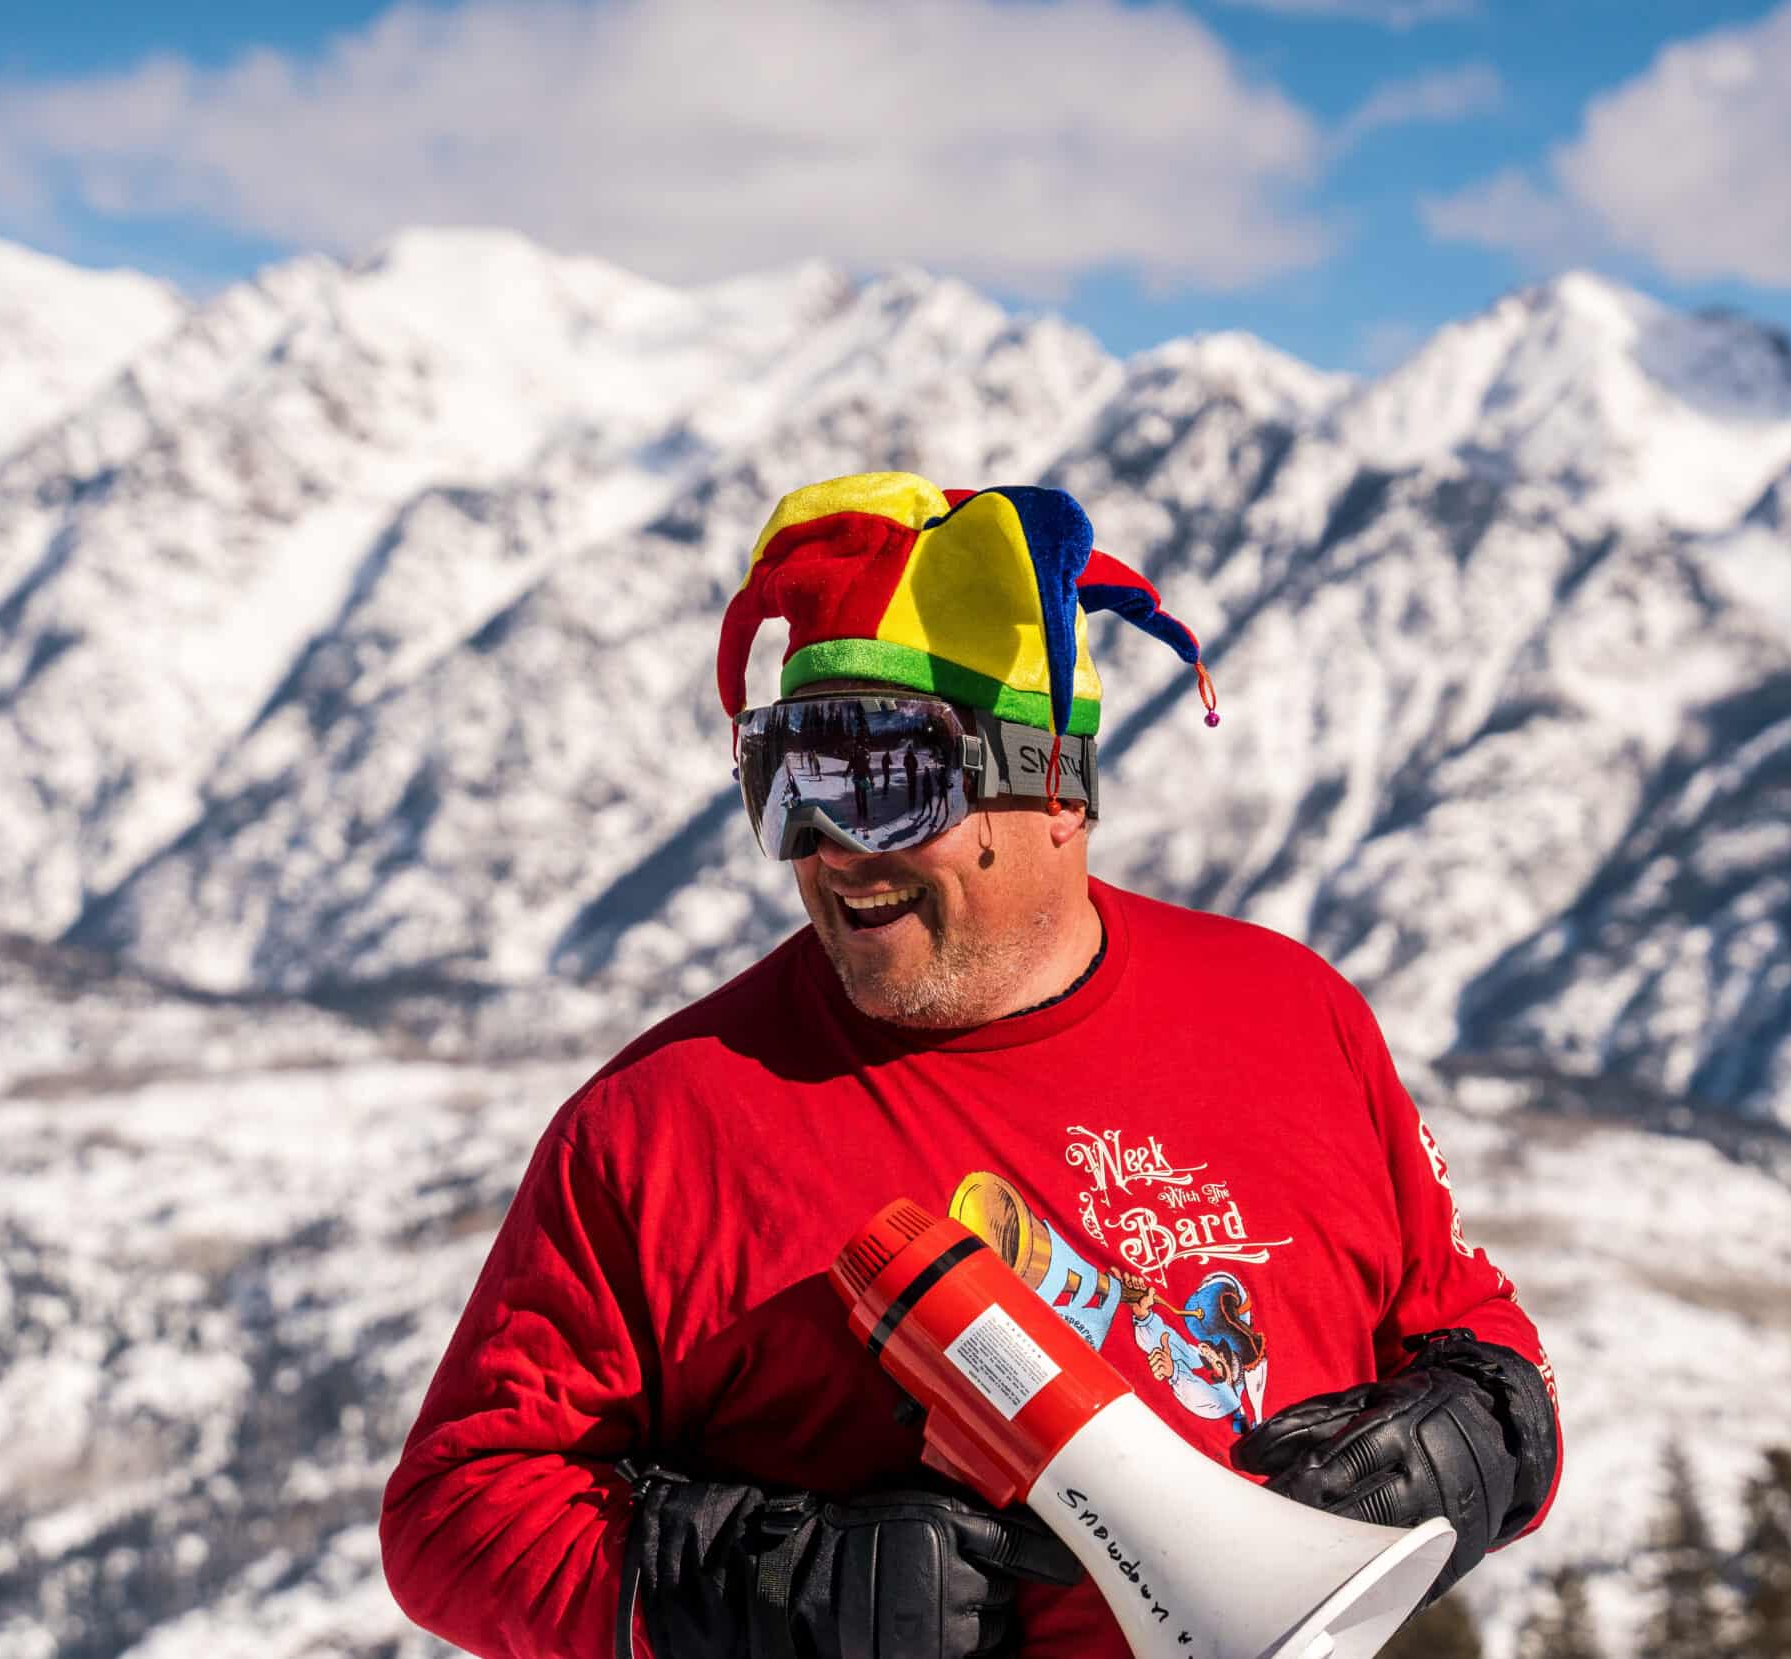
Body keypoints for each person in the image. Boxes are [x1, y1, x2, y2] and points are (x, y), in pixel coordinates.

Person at [380, 473, 1563, 1659]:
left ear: (1050, 783)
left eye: (883, 784)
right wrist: (767, 1590)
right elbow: (451, 1516)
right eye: (783, 781)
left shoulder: (1294, 1016)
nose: (830, 849)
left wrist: (1480, 1440)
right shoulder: (660, 1127)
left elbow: (1467, 1324)